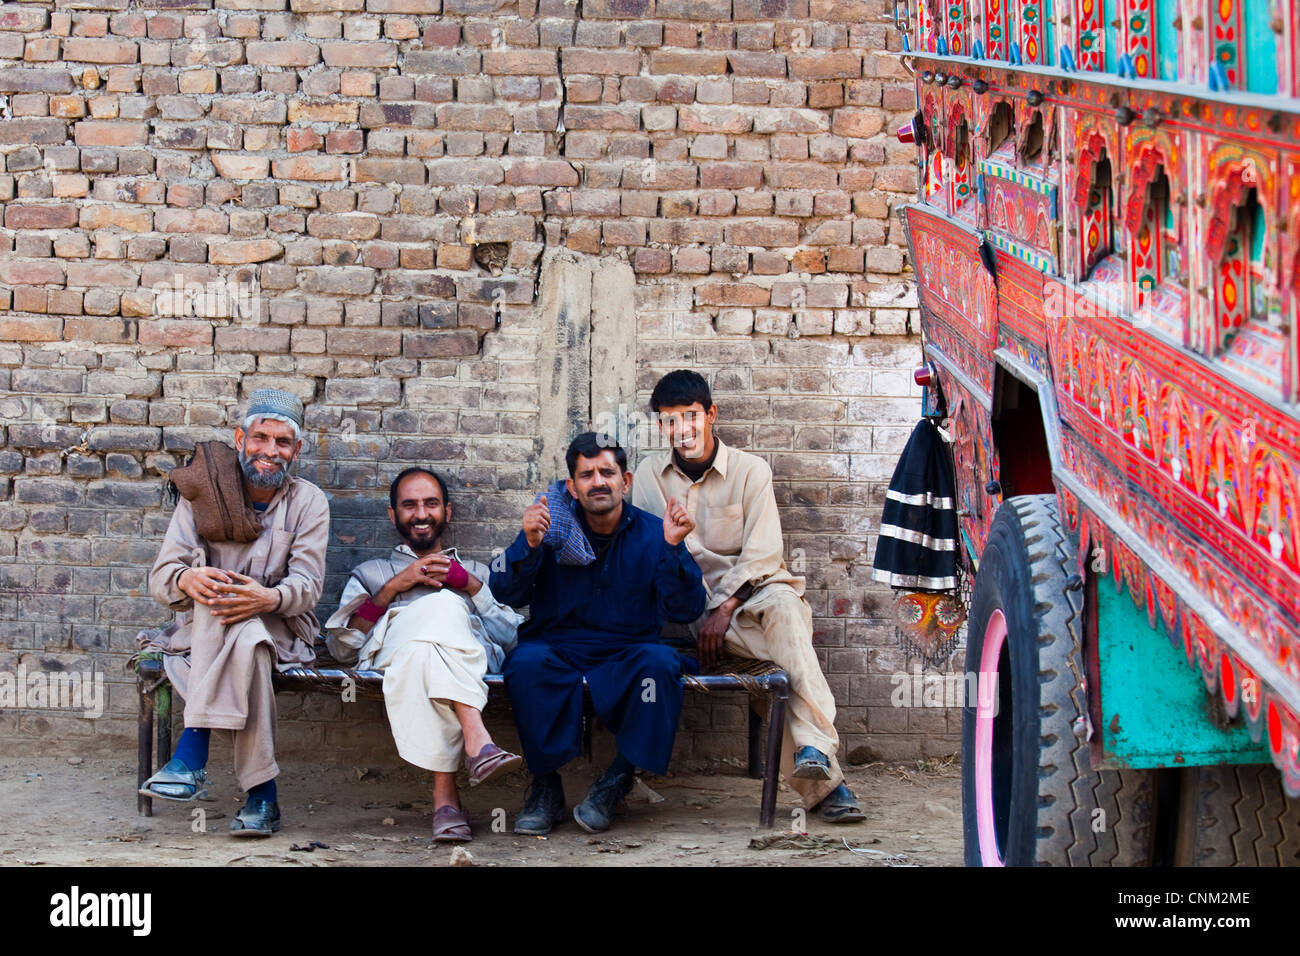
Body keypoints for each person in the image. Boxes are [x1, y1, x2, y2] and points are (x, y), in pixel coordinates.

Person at [632, 370, 866, 823]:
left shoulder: (751, 470)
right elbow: (652, 553)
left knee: (785, 613)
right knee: (784, 669)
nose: (682, 430)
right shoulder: (648, 477)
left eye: (691, 416)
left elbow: (763, 555)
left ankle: (817, 746)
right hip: (694, 609)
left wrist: (726, 607)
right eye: (670, 420)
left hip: (754, 596)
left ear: (711, 415)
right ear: (661, 426)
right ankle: (825, 782)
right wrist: (707, 612)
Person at [491, 432, 706, 835]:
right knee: (525, 663)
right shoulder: (551, 528)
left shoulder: (655, 533)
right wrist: (530, 546)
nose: (598, 482)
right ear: (572, 487)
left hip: (628, 651)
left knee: (660, 664)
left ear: (625, 481)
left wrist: (676, 549)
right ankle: (545, 788)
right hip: (558, 648)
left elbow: (687, 609)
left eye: (607, 472)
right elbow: (504, 590)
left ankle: (617, 781)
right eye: (586, 475)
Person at [138, 389, 330, 837]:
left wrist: (267, 599)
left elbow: (308, 588)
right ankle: (263, 798)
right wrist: (188, 580)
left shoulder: (309, 502)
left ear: (296, 450)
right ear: (240, 438)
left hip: (280, 627)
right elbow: (162, 576)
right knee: (237, 627)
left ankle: (191, 756)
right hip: (207, 631)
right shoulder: (201, 491)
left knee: (249, 627)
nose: (270, 451)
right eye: (261, 437)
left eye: (283, 442)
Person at [324, 468, 524, 842]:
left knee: (426, 647)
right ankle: (477, 741)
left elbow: (512, 639)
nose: (420, 513)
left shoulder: (476, 572)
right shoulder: (372, 573)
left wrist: (471, 587)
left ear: (446, 512)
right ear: (392, 515)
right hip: (391, 660)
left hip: (433, 663)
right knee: (440, 611)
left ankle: (446, 801)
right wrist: (393, 589)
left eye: (431, 504)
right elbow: (340, 649)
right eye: (409, 505)